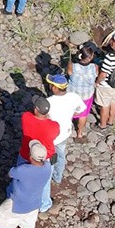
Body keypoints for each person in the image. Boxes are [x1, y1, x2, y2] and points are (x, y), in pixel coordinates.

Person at [0, 140, 52, 228]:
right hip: (35, 202)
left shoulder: (24, 169)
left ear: (30, 156)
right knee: (29, 223)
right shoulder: (47, 168)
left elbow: (11, 173)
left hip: (18, 201)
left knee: (1, 214)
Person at [45, 74, 84, 208]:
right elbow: (81, 109)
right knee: (61, 155)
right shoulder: (74, 97)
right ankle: (58, 177)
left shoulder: (49, 102)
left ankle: (48, 178)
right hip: (65, 132)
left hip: (52, 136)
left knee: (49, 158)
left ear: (55, 88)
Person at [66, 44, 98, 140]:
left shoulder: (73, 66)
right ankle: (80, 133)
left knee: (69, 112)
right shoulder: (95, 67)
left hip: (73, 94)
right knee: (83, 114)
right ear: (91, 57)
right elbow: (96, 76)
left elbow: (68, 73)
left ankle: (66, 130)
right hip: (87, 94)